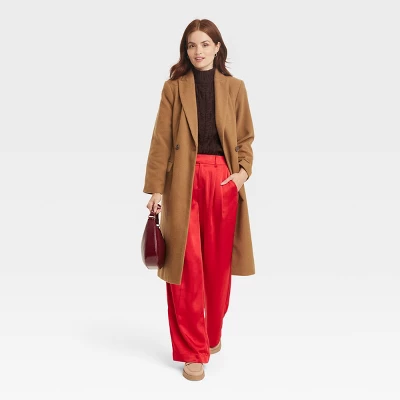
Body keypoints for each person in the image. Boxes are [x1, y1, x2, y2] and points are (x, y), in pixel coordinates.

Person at [143, 18, 255, 381]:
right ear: (185, 50)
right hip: (182, 181)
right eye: (192, 45)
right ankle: (193, 349)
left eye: (205, 44)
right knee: (185, 265)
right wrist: (156, 189)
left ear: (217, 47)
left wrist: (241, 174)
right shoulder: (174, 88)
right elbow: (161, 140)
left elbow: (245, 138)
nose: (198, 51)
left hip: (222, 179)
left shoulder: (235, 88)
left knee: (218, 267)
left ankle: (211, 332)